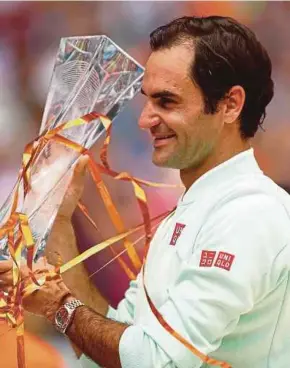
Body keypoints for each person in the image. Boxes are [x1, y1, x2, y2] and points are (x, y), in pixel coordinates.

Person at [1, 15, 290, 368]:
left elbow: (155, 361)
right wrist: (60, 224)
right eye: (147, 100)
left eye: (167, 102)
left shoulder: (249, 215)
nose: (144, 119)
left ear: (230, 105)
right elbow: (115, 345)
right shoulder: (192, 212)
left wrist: (58, 306)